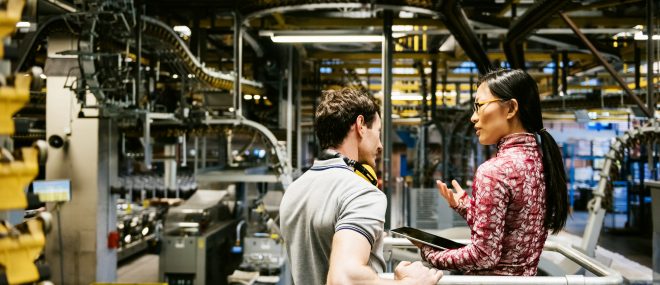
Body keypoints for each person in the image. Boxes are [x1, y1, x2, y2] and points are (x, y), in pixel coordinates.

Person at [280, 87, 442, 285]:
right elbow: (345, 278)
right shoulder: (361, 192)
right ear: (361, 125)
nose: (380, 145)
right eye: (378, 132)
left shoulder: (294, 191)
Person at [414, 69, 569, 276]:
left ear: (511, 108)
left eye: (479, 106)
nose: (472, 117)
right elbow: (509, 230)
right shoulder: (542, 163)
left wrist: (429, 253)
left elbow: (484, 255)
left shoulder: (494, 171)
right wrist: (464, 206)